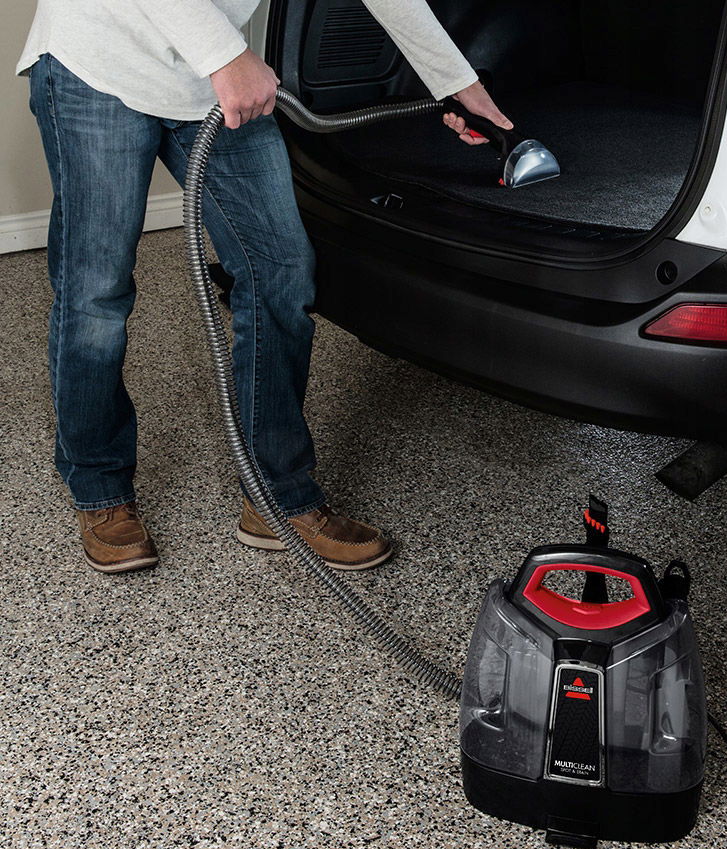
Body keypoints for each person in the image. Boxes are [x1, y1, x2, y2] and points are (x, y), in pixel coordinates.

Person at [17, 0, 513, 574]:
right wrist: (227, 56)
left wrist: (458, 84)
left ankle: (277, 496)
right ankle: (100, 490)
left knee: (280, 271)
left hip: (211, 76)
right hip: (98, 62)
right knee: (96, 293)